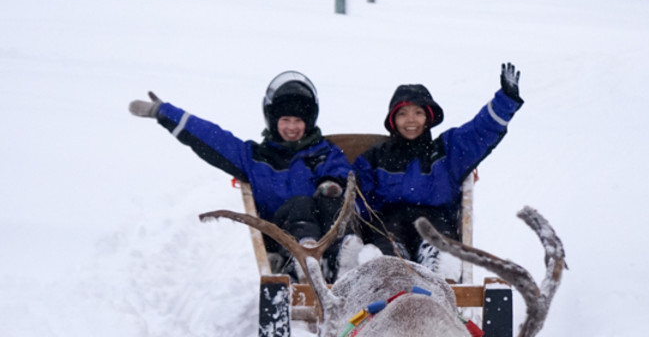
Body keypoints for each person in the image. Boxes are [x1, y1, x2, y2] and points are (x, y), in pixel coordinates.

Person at [128, 71, 352, 273]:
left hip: (326, 238)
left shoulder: (323, 153)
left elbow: (339, 170)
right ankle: (305, 263)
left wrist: (331, 184)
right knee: (299, 203)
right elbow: (211, 137)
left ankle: (340, 262)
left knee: (332, 200)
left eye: (298, 121)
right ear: (274, 122)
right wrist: (163, 112)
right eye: (285, 120)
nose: (292, 127)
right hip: (281, 238)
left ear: (309, 122)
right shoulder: (255, 157)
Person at [353, 64, 523, 267]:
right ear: (393, 119)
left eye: (418, 112)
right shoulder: (375, 156)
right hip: (388, 223)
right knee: (387, 250)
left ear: (428, 118)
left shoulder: (445, 150)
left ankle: (440, 270)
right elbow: (359, 197)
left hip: (434, 221)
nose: (411, 120)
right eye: (402, 114)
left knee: (437, 248)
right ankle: (389, 270)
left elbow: (478, 132)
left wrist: (505, 100)